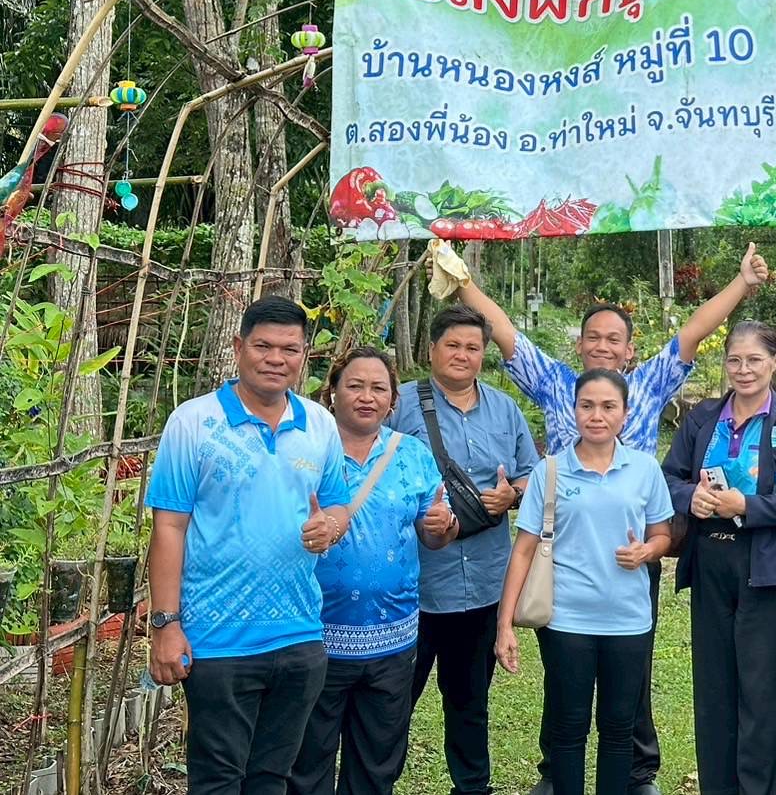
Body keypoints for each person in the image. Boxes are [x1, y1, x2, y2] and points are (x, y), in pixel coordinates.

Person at [432, 238, 768, 795]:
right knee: (564, 676)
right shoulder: (557, 384)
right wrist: (461, 277)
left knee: (628, 679)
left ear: (631, 350)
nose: (604, 346)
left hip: (634, 555)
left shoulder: (646, 386)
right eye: (594, 337)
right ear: (581, 345)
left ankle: (635, 774)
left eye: (615, 338)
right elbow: (509, 335)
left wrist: (742, 283)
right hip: (561, 560)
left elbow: (693, 334)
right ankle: (555, 776)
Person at [145, 296, 350, 795]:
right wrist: (166, 626)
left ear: (305, 356)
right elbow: (168, 528)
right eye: (263, 346)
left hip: (300, 635)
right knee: (217, 780)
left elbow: (339, 506)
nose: (276, 358)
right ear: (238, 347)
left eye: (290, 348)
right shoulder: (194, 423)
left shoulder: (320, 424)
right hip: (217, 638)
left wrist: (332, 526)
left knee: (271, 778)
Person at [661, 321, 776, 795]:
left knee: (765, 689)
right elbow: (668, 477)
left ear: (774, 363)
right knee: (715, 687)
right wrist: (692, 496)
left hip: (767, 568)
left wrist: (746, 506)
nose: (744, 369)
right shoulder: (702, 419)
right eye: (735, 360)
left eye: (755, 360)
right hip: (711, 561)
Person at [288, 348, 458, 795]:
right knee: (307, 763)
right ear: (333, 392)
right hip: (315, 636)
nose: (367, 396)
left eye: (379, 388)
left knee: (377, 763)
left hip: (393, 640)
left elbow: (435, 532)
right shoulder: (305, 452)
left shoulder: (414, 455)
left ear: (392, 400)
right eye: (355, 385)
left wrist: (443, 525)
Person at [496, 370, 674, 795]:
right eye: (587, 405)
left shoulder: (645, 469)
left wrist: (646, 552)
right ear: (574, 410)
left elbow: (663, 534)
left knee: (618, 729)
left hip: (628, 620)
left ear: (625, 414)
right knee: (568, 726)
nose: (597, 415)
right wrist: (505, 624)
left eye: (608, 406)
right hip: (567, 620)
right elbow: (523, 549)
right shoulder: (551, 470)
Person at [385, 304, 538, 795]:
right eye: (453, 345)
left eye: (473, 348)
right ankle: (373, 783)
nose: (462, 355)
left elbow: (529, 472)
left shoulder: (505, 408)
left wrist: (510, 494)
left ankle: (473, 788)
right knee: (391, 705)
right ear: (431, 350)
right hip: (411, 584)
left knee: (470, 701)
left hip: (483, 584)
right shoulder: (400, 405)